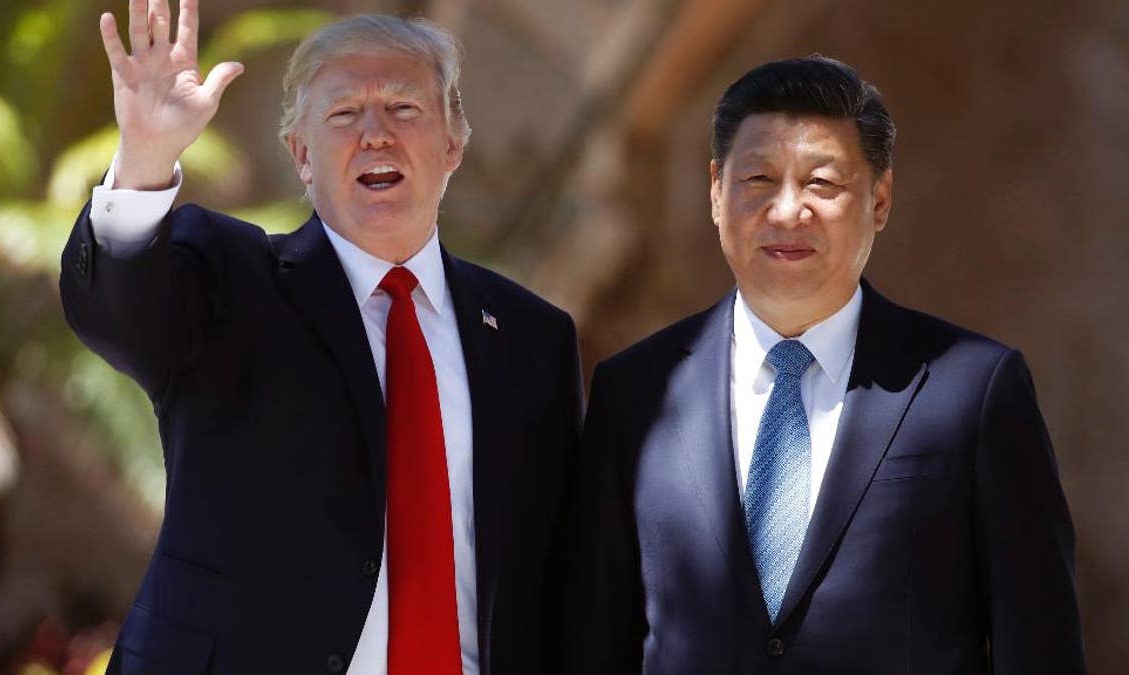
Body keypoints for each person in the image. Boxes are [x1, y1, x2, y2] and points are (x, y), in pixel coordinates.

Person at [59, 2, 582, 674]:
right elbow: (116, 308)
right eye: (343, 114)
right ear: (301, 155)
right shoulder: (232, 280)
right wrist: (144, 158)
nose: (375, 135)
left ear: (454, 144)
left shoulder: (533, 338)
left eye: (404, 108)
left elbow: (558, 573)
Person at [556, 56, 1085, 674]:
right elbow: (591, 643)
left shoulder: (973, 389)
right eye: (758, 178)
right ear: (715, 192)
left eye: (822, 183)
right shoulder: (635, 393)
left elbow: (1039, 645)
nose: (787, 211)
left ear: (880, 199)